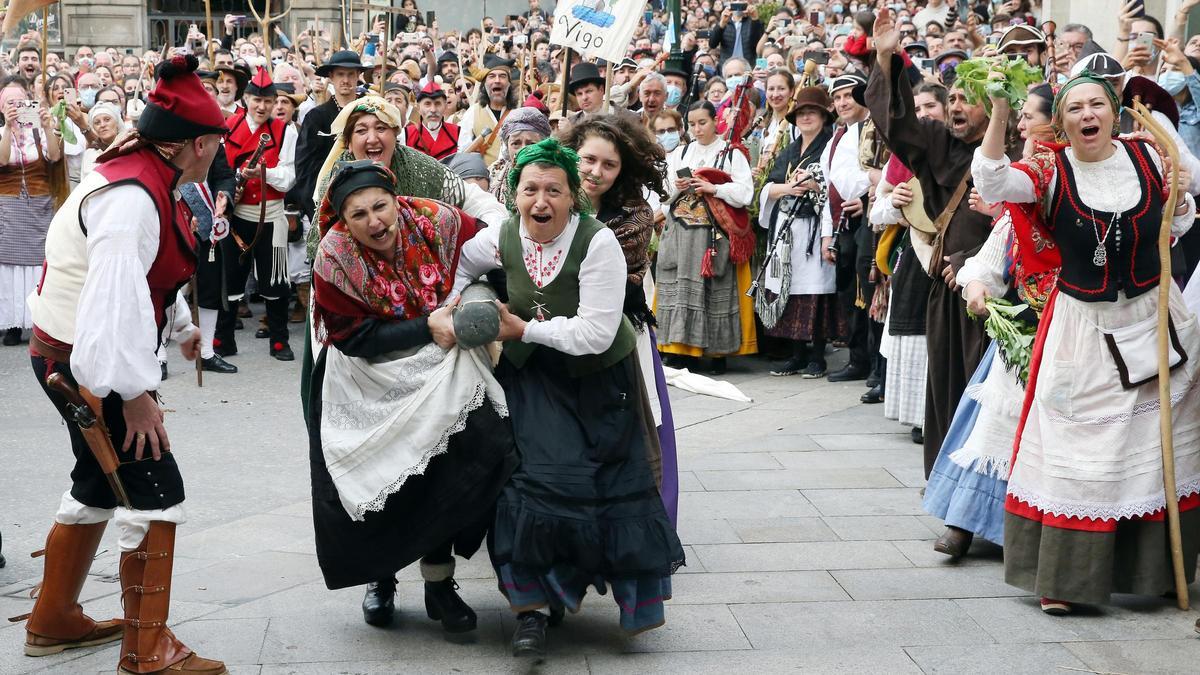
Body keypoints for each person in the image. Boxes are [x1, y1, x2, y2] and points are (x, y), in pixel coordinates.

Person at [24, 54, 226, 675]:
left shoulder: (146, 173)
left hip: (68, 357)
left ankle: (53, 618)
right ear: (195, 143)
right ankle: (147, 650)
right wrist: (136, 394)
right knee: (157, 490)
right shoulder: (133, 197)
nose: (221, 151)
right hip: (89, 365)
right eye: (217, 141)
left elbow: (144, 278)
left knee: (94, 481)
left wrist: (185, 327)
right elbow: (111, 305)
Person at [973, 70, 1200, 616]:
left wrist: (1180, 202)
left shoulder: (1149, 155)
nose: (1086, 116)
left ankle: (1162, 572)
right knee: (1079, 451)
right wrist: (1001, 111)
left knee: (1159, 448)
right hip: (1083, 331)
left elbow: (1182, 218)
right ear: (1061, 122)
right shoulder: (1050, 168)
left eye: (1096, 104)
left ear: (1114, 111)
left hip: (1154, 319)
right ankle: (1066, 579)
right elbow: (993, 182)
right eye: (1074, 109)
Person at [453, 138, 684, 654]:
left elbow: (596, 334)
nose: (541, 201)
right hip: (532, 379)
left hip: (599, 380)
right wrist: (462, 305)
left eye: (554, 190)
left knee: (602, 490)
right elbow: (461, 267)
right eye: (530, 189)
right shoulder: (501, 235)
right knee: (523, 486)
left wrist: (523, 331)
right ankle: (530, 609)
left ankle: (588, 593)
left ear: (573, 195)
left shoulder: (597, 242)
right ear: (513, 196)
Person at [306, 159, 517, 633]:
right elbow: (351, 337)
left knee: (447, 467)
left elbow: (497, 251)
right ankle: (380, 578)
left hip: (438, 360)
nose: (374, 221)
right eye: (358, 215)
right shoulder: (334, 256)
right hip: (366, 371)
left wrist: (488, 304)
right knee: (380, 479)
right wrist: (426, 325)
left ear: (395, 199)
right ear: (343, 218)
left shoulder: (437, 220)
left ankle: (439, 585)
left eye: (380, 207)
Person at [923, 83, 1057, 559]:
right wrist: (977, 278)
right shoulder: (1024, 180)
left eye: (1029, 119)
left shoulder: (1090, 180)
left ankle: (1046, 531)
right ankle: (964, 520)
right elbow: (1002, 240)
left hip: (1078, 323)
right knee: (995, 417)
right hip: (1026, 320)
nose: (1022, 127)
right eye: (1017, 119)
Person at [867, 13, 998, 478]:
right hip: (948, 297)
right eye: (955, 97)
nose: (957, 105)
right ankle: (953, 505)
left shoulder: (1020, 156)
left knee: (996, 409)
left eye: (970, 99)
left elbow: (1031, 226)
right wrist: (886, 58)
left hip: (1005, 299)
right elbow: (900, 126)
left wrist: (972, 262)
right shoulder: (943, 144)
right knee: (949, 399)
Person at [560, 114, 680, 523]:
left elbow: (616, 288)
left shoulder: (635, 215)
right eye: (588, 159)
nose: (595, 171)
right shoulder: (547, 194)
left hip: (618, 334)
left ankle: (637, 525)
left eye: (608, 164)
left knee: (632, 431)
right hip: (551, 334)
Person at [869, 81, 947, 444]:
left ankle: (941, 412)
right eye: (916, 109)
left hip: (951, 255)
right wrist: (895, 200)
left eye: (930, 106)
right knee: (916, 332)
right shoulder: (899, 156)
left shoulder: (959, 150)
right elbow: (877, 213)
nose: (923, 114)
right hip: (913, 256)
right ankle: (919, 416)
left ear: (945, 110)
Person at [657, 100, 757, 375]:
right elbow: (664, 195)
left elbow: (745, 193)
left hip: (713, 233)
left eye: (703, 122)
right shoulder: (681, 152)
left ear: (715, 121)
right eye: (692, 124)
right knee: (677, 287)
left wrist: (713, 188)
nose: (697, 129)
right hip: (681, 229)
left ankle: (717, 353)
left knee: (716, 289)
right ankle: (680, 350)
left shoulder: (730, 152)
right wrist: (678, 188)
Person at [215, 68, 298, 362]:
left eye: (268, 101)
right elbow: (219, 172)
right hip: (237, 217)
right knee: (231, 280)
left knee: (275, 282)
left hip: (271, 216)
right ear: (246, 98)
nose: (262, 107)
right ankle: (223, 339)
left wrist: (264, 172)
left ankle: (279, 340)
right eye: (256, 100)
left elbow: (289, 177)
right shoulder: (228, 128)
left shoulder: (286, 131)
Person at [757, 86, 839, 378]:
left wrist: (813, 185)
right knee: (788, 288)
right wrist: (789, 188)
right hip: (787, 227)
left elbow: (832, 187)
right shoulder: (791, 150)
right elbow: (770, 185)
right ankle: (797, 354)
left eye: (812, 112)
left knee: (815, 289)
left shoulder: (831, 146)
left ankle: (817, 355)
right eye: (801, 113)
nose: (805, 117)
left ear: (823, 117)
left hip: (814, 226)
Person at [820, 73, 875, 385]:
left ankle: (869, 359)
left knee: (866, 292)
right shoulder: (834, 141)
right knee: (846, 292)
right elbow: (832, 189)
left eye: (848, 95)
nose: (842, 102)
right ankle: (857, 358)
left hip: (866, 221)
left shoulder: (871, 131)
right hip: (843, 225)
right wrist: (828, 232)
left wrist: (865, 198)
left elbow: (879, 174)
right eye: (837, 97)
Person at [0, 76, 62, 347]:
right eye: (8, 102)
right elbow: (2, 159)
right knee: (9, 264)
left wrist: (48, 126)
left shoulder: (37, 129)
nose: (15, 106)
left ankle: (38, 320)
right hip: (8, 203)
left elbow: (55, 157)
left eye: (19, 101)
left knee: (39, 261)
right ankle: (12, 323)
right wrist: (7, 128)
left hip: (38, 200)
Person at [295, 50, 370, 220]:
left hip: (367, 199)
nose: (345, 80)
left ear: (358, 75)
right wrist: (318, 211)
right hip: (328, 204)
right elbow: (305, 169)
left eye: (351, 74)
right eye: (340, 74)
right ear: (331, 76)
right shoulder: (316, 117)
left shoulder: (368, 112)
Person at [457, 54, 519, 165]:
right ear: (484, 84)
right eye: (492, 76)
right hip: (483, 179)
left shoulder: (519, 114)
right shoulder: (472, 113)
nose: (497, 80)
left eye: (502, 76)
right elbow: (462, 150)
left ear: (509, 84)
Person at [486, 107, 552, 208]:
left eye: (531, 143)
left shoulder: (555, 175)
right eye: (516, 143)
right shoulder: (494, 172)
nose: (523, 150)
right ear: (506, 146)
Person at [405, 81, 460, 161]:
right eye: (427, 104)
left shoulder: (459, 134)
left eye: (438, 104)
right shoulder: (405, 135)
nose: (433, 110)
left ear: (445, 107)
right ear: (418, 108)